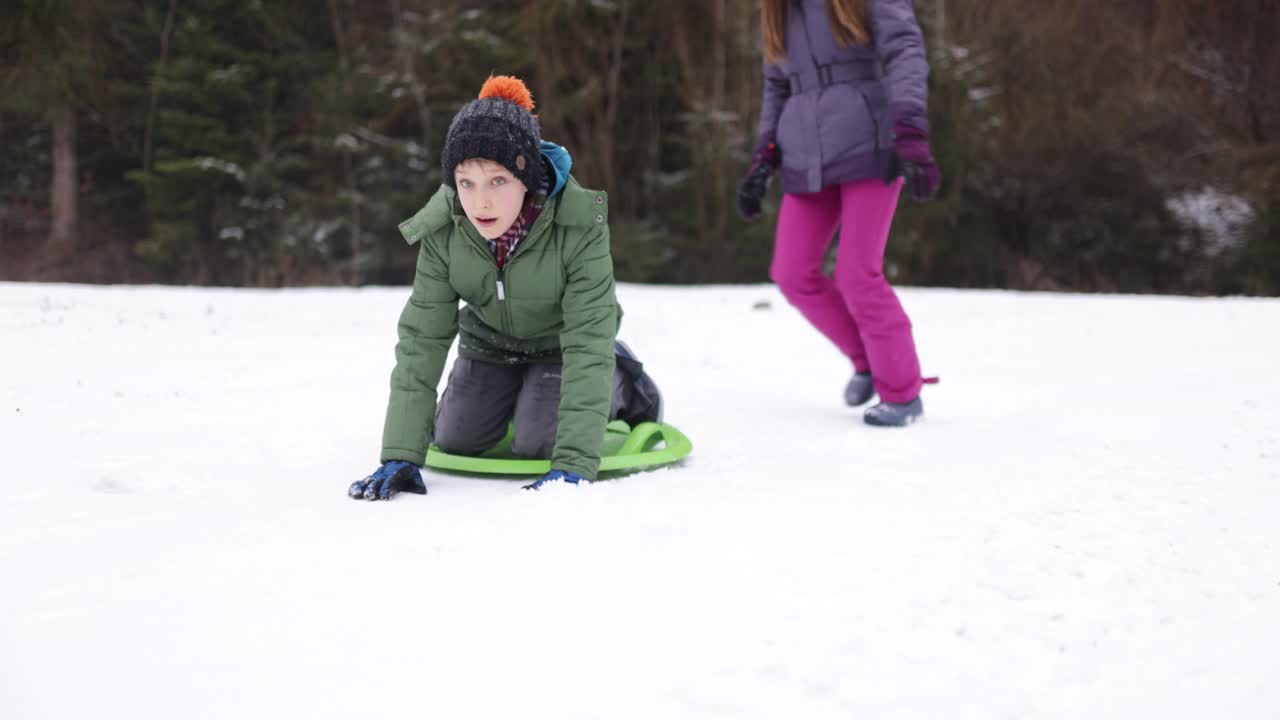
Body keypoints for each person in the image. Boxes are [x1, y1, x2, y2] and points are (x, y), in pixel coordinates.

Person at [349, 75, 661, 500]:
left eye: (497, 181)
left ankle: (622, 378)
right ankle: (517, 395)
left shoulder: (578, 226)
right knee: (455, 437)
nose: (481, 202)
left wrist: (573, 463)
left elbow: (587, 341)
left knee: (536, 442)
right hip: (491, 345)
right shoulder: (446, 230)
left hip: (561, 346)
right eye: (466, 183)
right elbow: (423, 338)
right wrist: (400, 454)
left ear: (525, 177)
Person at [737, 0, 941, 426]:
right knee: (792, 273)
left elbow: (904, 48)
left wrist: (911, 132)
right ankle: (869, 360)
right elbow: (776, 85)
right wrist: (762, 159)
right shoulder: (777, 9)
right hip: (803, 152)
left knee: (857, 273)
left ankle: (902, 392)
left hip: (870, 142)